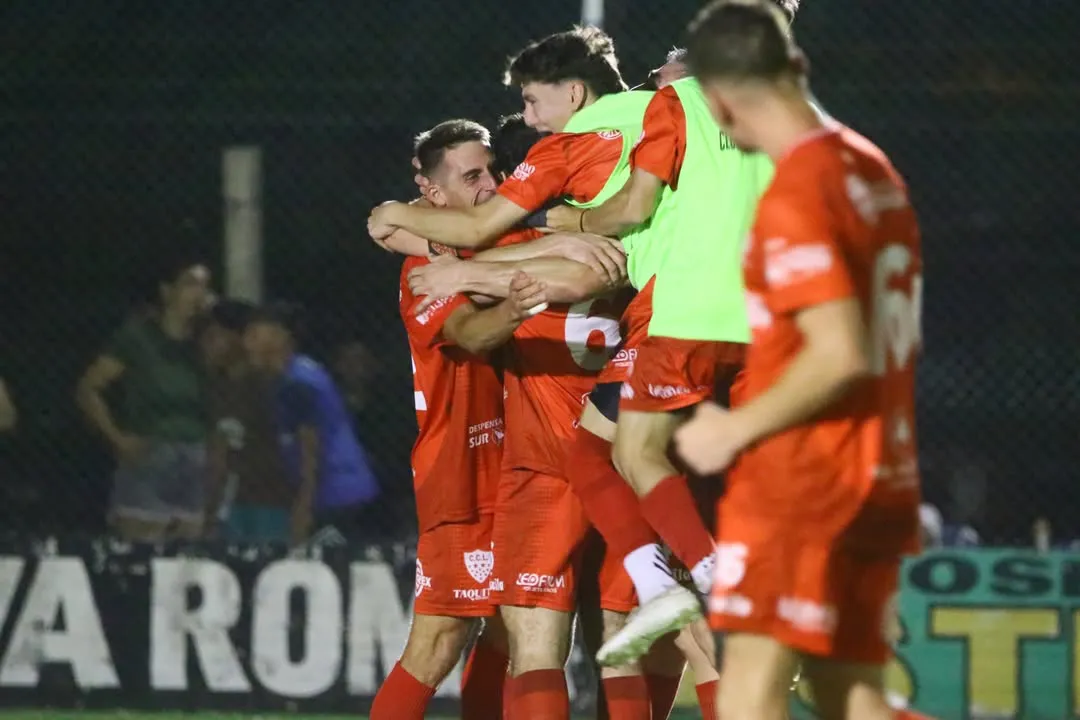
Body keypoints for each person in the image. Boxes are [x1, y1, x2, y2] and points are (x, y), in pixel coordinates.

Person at [674, 2, 930, 719]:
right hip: (878, 470)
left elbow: (838, 350)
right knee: (852, 700)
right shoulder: (871, 168)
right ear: (799, 66)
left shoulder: (798, 192)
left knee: (748, 694)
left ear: (718, 103)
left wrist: (732, 429)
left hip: (808, 480)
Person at [371, 118, 534, 720]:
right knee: (438, 642)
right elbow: (470, 333)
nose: (490, 184)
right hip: (463, 474)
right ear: (433, 196)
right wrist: (516, 306)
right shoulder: (424, 272)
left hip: (525, 467)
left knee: (508, 638)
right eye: (472, 176)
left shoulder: (490, 242)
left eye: (493, 170)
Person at [76, 255, 211, 543]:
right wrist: (117, 438)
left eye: (204, 286)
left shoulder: (205, 344)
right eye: (190, 284)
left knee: (190, 557)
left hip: (196, 458)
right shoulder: (138, 338)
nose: (198, 294)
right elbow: (89, 388)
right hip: (151, 454)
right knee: (142, 552)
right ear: (167, 291)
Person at [242, 302, 381, 547]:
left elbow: (311, 453)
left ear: (279, 337)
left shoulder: (298, 384)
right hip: (342, 495)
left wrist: (302, 511)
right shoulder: (296, 373)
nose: (246, 344)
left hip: (336, 498)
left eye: (254, 335)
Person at [200, 299, 291, 542]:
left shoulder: (262, 385)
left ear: (237, 339)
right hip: (240, 503)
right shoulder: (218, 387)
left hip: (265, 503)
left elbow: (220, 460)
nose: (206, 345)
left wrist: (208, 514)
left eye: (214, 337)